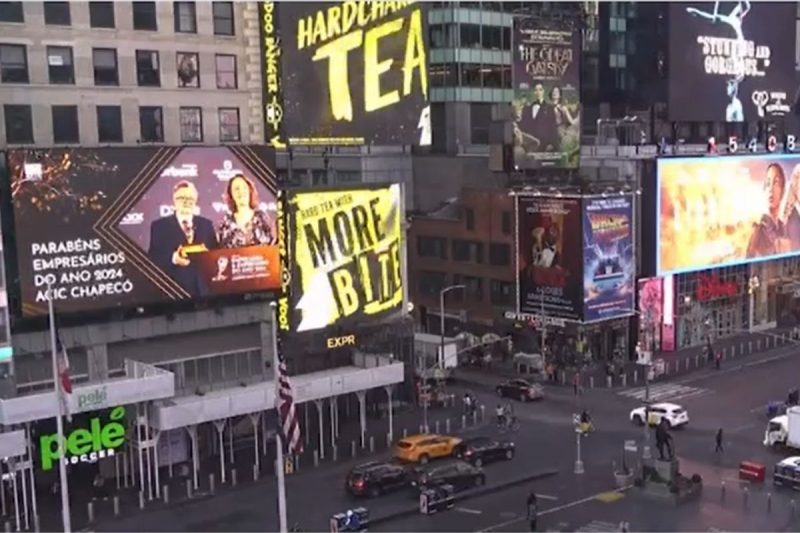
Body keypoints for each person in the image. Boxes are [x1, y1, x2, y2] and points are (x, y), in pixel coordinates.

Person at [148, 180, 218, 296]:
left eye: (190, 199)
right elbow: (154, 258)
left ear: (195, 201)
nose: (186, 202)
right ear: (174, 201)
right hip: (174, 291)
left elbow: (215, 253)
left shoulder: (206, 224)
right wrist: (174, 258)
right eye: (182, 198)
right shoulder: (159, 226)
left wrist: (208, 256)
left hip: (204, 292)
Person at [216, 174, 275, 248]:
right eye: (236, 189)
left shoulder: (263, 219)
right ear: (231, 195)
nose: (241, 191)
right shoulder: (225, 225)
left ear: (249, 191)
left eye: (244, 188)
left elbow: (273, 246)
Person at [747, 163, 787, 258]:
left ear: (783, 190)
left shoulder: (784, 229)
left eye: (776, 183)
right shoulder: (758, 232)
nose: (770, 189)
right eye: (768, 183)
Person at [528, 83, 559, 151]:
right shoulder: (528, 108)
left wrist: (552, 144)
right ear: (534, 92)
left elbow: (553, 127)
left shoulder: (550, 108)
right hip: (531, 145)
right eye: (536, 90)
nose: (538, 92)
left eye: (540, 90)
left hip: (545, 145)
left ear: (543, 91)